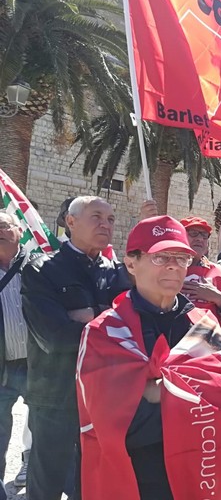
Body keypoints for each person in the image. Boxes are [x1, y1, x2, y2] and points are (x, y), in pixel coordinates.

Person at [76, 215, 221, 499]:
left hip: (202, 471)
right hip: (139, 476)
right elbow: (118, 424)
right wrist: (192, 393)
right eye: (160, 257)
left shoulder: (204, 325)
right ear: (131, 263)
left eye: (182, 258)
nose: (173, 265)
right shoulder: (104, 332)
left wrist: (156, 390)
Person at [21, 196, 132, 499]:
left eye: (110, 219)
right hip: (56, 394)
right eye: (96, 216)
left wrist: (85, 320)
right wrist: (108, 326)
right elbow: (55, 339)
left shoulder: (119, 273)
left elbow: (136, 332)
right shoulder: (42, 269)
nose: (106, 225)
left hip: (106, 396)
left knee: (94, 482)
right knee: (47, 482)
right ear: (70, 222)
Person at [0, 214, 33, 499]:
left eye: (3, 225)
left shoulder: (37, 267)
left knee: (47, 427)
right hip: (3, 369)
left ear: (19, 231)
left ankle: (39, 478)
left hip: (39, 364)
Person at [179, 217, 221, 325]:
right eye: (193, 233)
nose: (200, 238)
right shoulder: (165, 269)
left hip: (209, 338)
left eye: (204, 235)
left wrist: (219, 298)